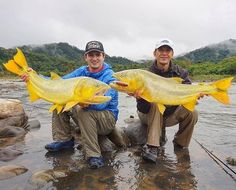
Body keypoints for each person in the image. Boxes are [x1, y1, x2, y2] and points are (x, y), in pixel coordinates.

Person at [21, 41, 119, 169]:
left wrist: (81, 103)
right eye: (91, 55)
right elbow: (58, 83)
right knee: (60, 99)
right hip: (85, 115)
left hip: (106, 121)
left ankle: (94, 155)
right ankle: (64, 140)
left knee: (84, 109)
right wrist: (33, 75)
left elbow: (102, 104)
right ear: (86, 57)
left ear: (103, 56)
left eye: (97, 55)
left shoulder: (110, 76)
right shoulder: (81, 71)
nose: (94, 58)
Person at [131, 38, 198, 163]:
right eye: (160, 50)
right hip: (148, 114)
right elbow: (143, 109)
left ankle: (180, 144)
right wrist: (140, 98)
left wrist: (196, 95)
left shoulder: (181, 73)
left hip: (170, 115)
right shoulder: (146, 74)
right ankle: (152, 146)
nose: (164, 53)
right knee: (156, 103)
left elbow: (188, 93)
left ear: (172, 54)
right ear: (154, 53)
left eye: (168, 50)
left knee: (192, 112)